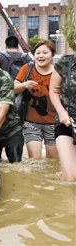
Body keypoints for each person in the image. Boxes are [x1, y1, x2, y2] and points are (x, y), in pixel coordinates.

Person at [14, 40, 58, 160]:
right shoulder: (27, 68)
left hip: (54, 123)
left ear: (53, 55)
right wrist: (25, 85)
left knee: (53, 161)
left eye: (45, 52)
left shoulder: (58, 72)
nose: (41, 56)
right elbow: (13, 88)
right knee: (35, 160)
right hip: (31, 123)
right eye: (37, 53)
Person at [49, 35, 76, 181]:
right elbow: (53, 90)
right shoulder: (65, 62)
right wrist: (61, 112)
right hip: (67, 122)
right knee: (71, 177)